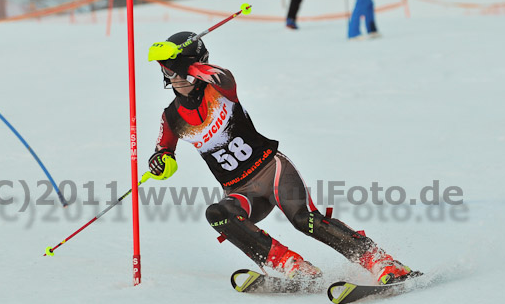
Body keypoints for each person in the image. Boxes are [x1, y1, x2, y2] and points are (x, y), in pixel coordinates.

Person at [147, 31, 419, 284]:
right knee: (218, 214)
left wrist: (186, 63)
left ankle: (382, 262)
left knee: (305, 220)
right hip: (242, 192)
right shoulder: (171, 117)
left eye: (183, 70)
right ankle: (292, 266)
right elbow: (165, 156)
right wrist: (159, 163)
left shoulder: (219, 88)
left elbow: (221, 76)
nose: (178, 78)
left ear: (199, 65)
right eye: (169, 71)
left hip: (272, 171)